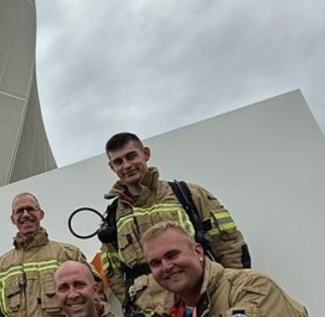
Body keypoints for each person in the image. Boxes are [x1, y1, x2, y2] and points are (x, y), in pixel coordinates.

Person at [99, 132, 251, 317]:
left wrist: (233, 291)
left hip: (204, 303)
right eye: (118, 162)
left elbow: (228, 244)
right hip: (149, 310)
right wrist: (131, 302)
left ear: (145, 154)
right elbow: (113, 270)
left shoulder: (189, 194)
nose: (127, 165)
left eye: (131, 156)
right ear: (111, 167)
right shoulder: (113, 216)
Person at [143, 222, 307, 317]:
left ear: (198, 252)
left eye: (172, 255)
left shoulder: (252, 286)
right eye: (156, 263)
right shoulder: (166, 311)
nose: (166, 267)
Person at [0, 192, 89, 317]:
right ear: (12, 219)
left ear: (41, 214)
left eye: (30, 209)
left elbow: (94, 298)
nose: (25, 215)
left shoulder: (70, 254)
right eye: (20, 211)